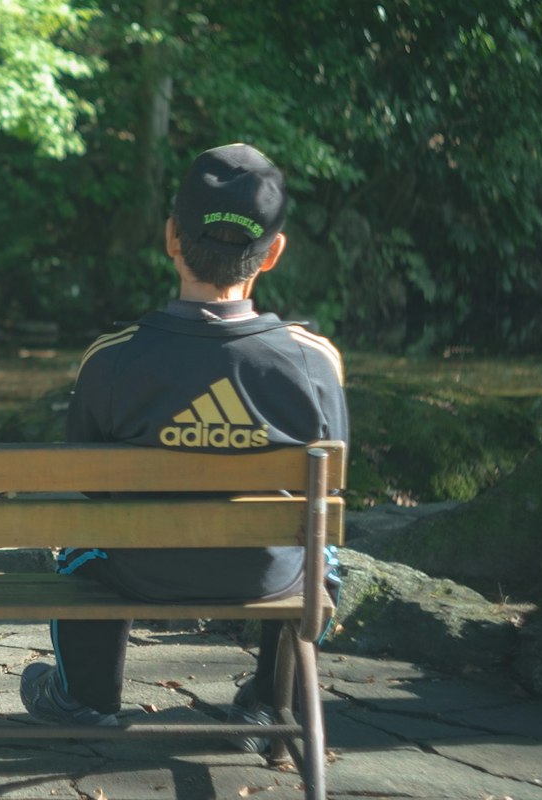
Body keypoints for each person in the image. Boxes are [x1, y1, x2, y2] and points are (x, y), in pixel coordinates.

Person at [20, 143, 349, 748]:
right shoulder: (314, 363)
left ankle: (83, 697)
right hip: (270, 573)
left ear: (172, 238)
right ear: (273, 252)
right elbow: (329, 479)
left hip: (139, 571)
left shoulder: (114, 358)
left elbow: (88, 480)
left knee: (84, 538)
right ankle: (267, 708)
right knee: (319, 547)